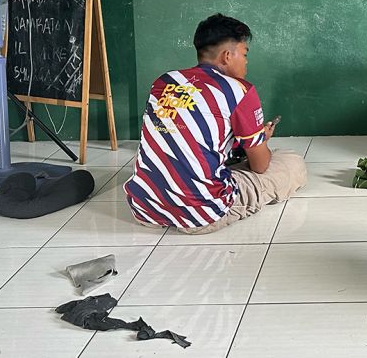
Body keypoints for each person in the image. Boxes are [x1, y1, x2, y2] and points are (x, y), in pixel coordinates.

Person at [124, 14, 306, 233]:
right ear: (227, 56)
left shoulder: (164, 81)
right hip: (203, 212)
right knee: (291, 161)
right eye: (245, 54)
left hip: (145, 207)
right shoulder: (240, 90)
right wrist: (261, 140)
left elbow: (190, 135)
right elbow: (260, 166)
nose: (246, 61)